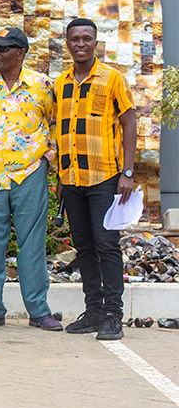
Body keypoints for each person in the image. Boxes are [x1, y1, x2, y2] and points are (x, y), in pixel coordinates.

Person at [0, 27, 62, 331]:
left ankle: (39, 311)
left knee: (32, 244)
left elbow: (55, 122)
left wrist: (48, 158)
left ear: (20, 53)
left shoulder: (42, 85)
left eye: (3, 48)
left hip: (29, 174)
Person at [54, 18, 137, 341]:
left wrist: (127, 172)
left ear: (95, 43)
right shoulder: (60, 83)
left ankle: (114, 315)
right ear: (67, 43)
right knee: (84, 247)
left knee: (107, 245)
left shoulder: (112, 79)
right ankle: (94, 311)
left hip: (105, 176)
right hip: (72, 178)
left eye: (86, 39)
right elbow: (60, 131)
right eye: (75, 39)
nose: (81, 44)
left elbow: (129, 123)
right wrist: (61, 177)